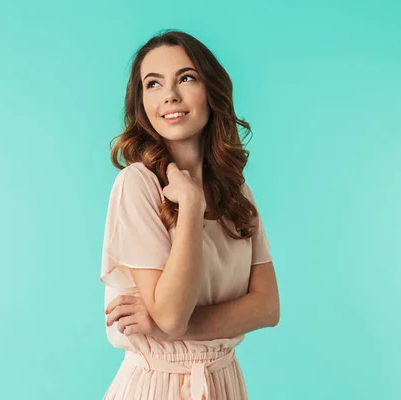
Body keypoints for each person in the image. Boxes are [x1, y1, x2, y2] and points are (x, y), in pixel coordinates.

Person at [99, 29, 280, 400]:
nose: (170, 96)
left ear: (211, 90)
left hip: (224, 379)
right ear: (141, 103)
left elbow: (267, 307)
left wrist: (171, 324)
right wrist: (192, 207)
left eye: (186, 78)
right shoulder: (138, 185)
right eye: (153, 84)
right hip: (157, 386)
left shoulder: (237, 192)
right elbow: (171, 316)